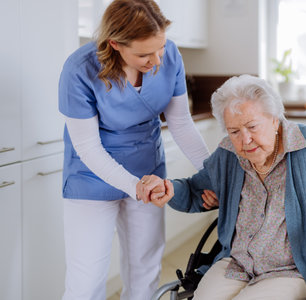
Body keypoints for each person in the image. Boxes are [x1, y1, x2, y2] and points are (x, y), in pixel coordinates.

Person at [138, 74, 306, 300]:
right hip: (236, 262)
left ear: (274, 119)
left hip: (291, 270)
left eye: (252, 127)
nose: (244, 140)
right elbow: (194, 191)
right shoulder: (228, 153)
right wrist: (168, 188)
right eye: (234, 131)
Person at [58, 1, 216, 299]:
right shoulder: (79, 70)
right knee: (86, 279)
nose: (156, 60)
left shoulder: (169, 56)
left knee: (145, 270)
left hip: (147, 169)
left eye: (160, 48)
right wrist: (134, 186)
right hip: (91, 177)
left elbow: (180, 123)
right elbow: (89, 147)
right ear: (114, 44)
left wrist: (215, 174)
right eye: (143, 54)